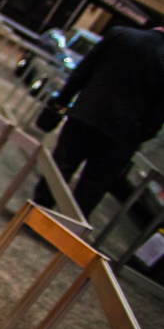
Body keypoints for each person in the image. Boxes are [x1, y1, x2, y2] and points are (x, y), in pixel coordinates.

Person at [35, 24, 164, 217]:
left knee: (60, 167)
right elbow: (160, 109)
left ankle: (37, 212)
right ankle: (67, 229)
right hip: (124, 134)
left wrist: (62, 101)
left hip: (86, 114)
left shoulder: (120, 34)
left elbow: (83, 71)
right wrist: (142, 134)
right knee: (92, 186)